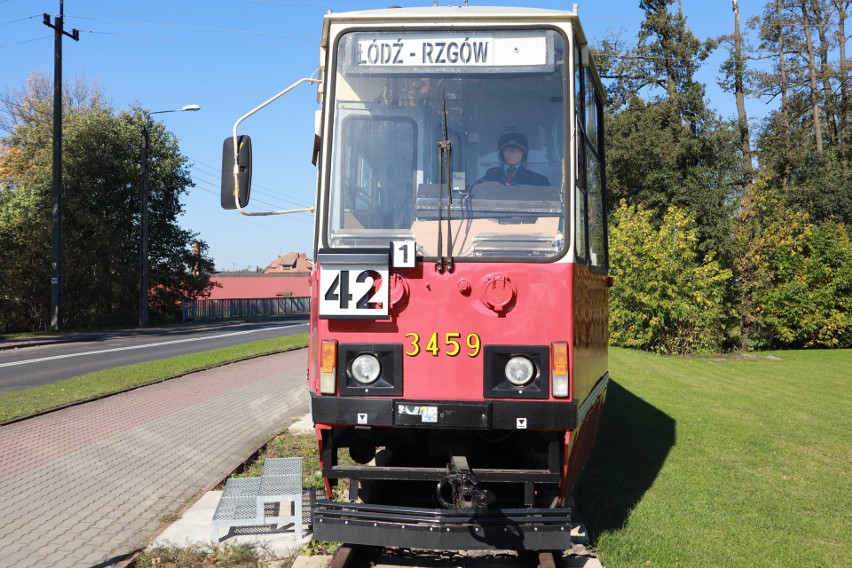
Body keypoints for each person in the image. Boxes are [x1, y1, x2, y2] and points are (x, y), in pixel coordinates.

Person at [476, 132, 550, 186]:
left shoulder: (538, 181)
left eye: (517, 150)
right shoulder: (490, 176)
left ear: (523, 153)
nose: (512, 153)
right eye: (507, 150)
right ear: (502, 154)